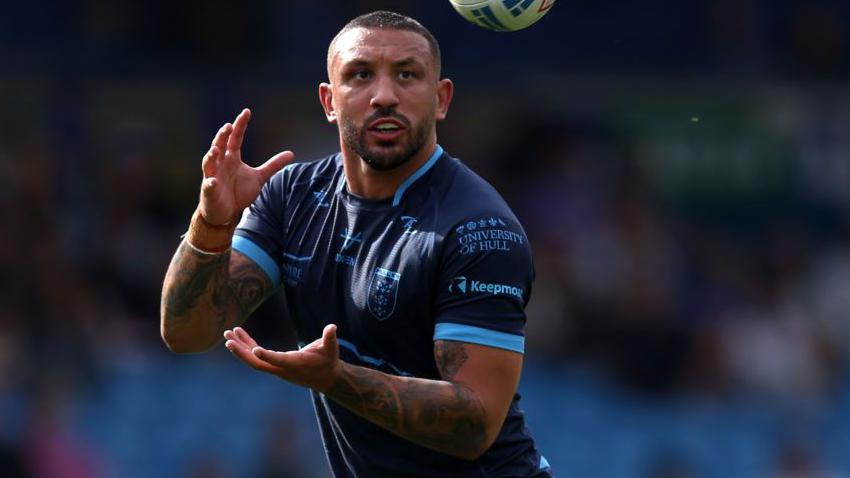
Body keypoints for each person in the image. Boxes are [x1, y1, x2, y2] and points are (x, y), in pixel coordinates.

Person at [160, 10, 552, 478]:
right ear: (329, 101)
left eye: (407, 75)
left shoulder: (478, 229)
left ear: (441, 99)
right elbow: (187, 332)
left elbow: (475, 426)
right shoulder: (293, 196)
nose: (384, 96)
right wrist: (211, 223)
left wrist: (335, 378)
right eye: (360, 75)